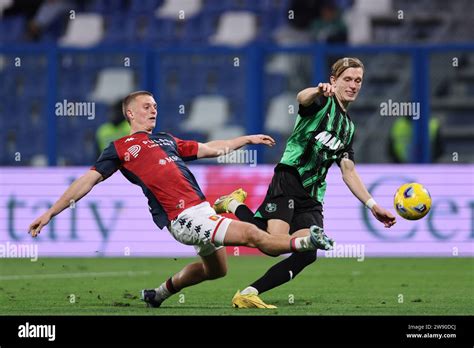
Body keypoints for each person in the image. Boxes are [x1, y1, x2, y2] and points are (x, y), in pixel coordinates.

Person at [28, 90, 333, 308]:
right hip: (183, 217)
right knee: (255, 234)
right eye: (146, 106)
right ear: (130, 113)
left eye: (155, 105)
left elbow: (212, 148)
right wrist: (51, 213)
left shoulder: (167, 139)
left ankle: (158, 294)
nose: (153, 110)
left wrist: (247, 139)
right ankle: (308, 242)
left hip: (201, 211)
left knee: (216, 271)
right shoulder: (119, 148)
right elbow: (87, 180)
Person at [213, 57, 397, 309]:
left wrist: (373, 205)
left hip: (312, 195)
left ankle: (248, 292)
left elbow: (348, 171)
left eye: (358, 81)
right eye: (347, 79)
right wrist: (317, 89)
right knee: (273, 245)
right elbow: (302, 98)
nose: (353, 85)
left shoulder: (348, 129)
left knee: (307, 253)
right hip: (289, 178)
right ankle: (233, 205)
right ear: (334, 80)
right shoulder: (322, 101)